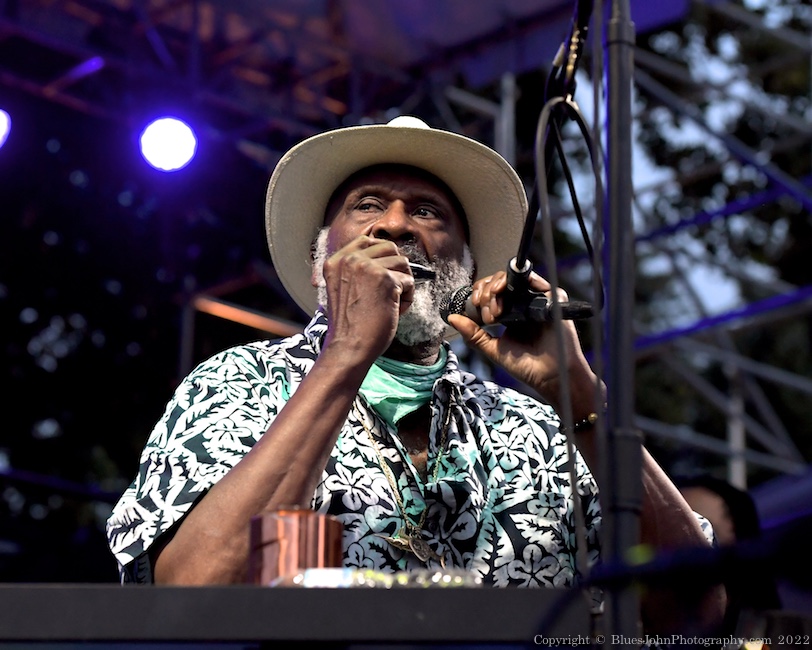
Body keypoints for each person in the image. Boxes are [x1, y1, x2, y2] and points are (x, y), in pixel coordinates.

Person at [107, 116, 724, 632]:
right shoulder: (240, 382)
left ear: (469, 268)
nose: (397, 226)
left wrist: (580, 397)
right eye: (368, 206)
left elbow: (696, 610)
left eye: (427, 212)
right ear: (324, 261)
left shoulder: (537, 429)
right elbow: (194, 592)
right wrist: (345, 356)